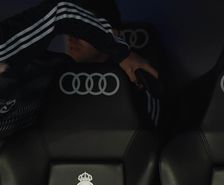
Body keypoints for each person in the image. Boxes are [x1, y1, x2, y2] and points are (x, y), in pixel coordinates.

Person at [0, 0, 158, 139]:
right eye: (73, 30)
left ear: (110, 33)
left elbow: (153, 129)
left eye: (81, 30)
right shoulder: (50, 71)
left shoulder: (133, 83)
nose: (71, 37)